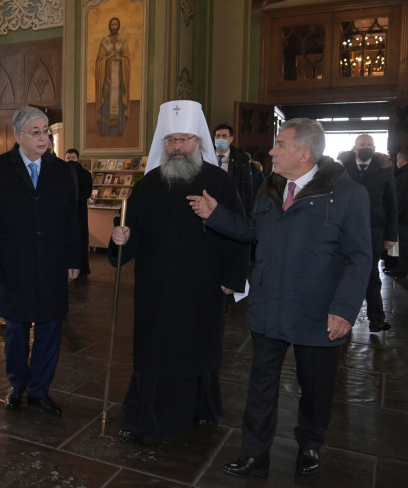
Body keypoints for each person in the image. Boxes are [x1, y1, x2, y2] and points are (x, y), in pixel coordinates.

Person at [187, 118, 372, 478]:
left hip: (318, 311)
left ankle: (310, 444)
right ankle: (255, 454)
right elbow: (252, 232)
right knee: (261, 385)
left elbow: (359, 257)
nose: (271, 151)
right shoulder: (270, 188)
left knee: (315, 387)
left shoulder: (347, 194)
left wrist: (344, 309)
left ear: (304, 153)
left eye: (280, 145)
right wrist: (216, 215)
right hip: (270, 304)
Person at [110, 100, 249, 442]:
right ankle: (150, 414)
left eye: (184, 140)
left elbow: (240, 232)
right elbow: (132, 233)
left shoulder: (218, 181)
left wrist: (232, 279)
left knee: (196, 346)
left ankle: (199, 406)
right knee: (155, 348)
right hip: (154, 285)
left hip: (203, 285)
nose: (177, 147)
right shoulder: (148, 184)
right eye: (171, 140)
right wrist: (121, 239)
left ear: (197, 141)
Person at [0, 106, 81, 418]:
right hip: (14, 264)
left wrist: (75, 258)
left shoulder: (63, 170)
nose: (43, 137)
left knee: (50, 328)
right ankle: (17, 384)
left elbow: (73, 218)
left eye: (45, 131)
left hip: (52, 262)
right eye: (35, 132)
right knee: (16, 330)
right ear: (18, 136)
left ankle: (40, 390)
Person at [338, 134, 398, 332]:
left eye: (369, 145)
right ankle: (342, 315)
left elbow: (391, 203)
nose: (366, 147)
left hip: (374, 230)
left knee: (371, 273)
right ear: (355, 148)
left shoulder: (384, 170)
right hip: (346, 229)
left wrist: (391, 235)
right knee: (344, 273)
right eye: (362, 144)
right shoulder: (343, 169)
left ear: (374, 147)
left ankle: (376, 318)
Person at [95, 17, 130, 136]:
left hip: (119, 77)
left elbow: (127, 59)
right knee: (106, 102)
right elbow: (99, 60)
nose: (114, 27)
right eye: (112, 25)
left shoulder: (123, 40)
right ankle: (105, 129)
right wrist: (108, 58)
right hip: (107, 77)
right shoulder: (105, 41)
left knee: (118, 102)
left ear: (118, 26)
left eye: (116, 24)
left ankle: (118, 129)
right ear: (109, 26)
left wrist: (119, 59)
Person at [213, 124, 257, 215]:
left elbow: (247, 188)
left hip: (231, 206)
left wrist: (248, 213)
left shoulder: (241, 158)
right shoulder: (205, 156)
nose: (220, 139)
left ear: (231, 139)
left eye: (224, 136)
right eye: (218, 136)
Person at [65, 148, 93, 278]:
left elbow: (87, 192)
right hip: (65, 213)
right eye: (68, 158)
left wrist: (73, 198)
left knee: (81, 239)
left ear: (78, 159)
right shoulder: (62, 173)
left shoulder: (86, 174)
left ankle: (82, 269)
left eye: (73, 158)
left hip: (80, 212)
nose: (70, 161)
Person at [392, 148, 408, 279]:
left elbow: (402, 197)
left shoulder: (405, 175)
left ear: (401, 160)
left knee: (405, 244)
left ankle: (405, 270)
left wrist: (395, 214)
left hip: (406, 216)